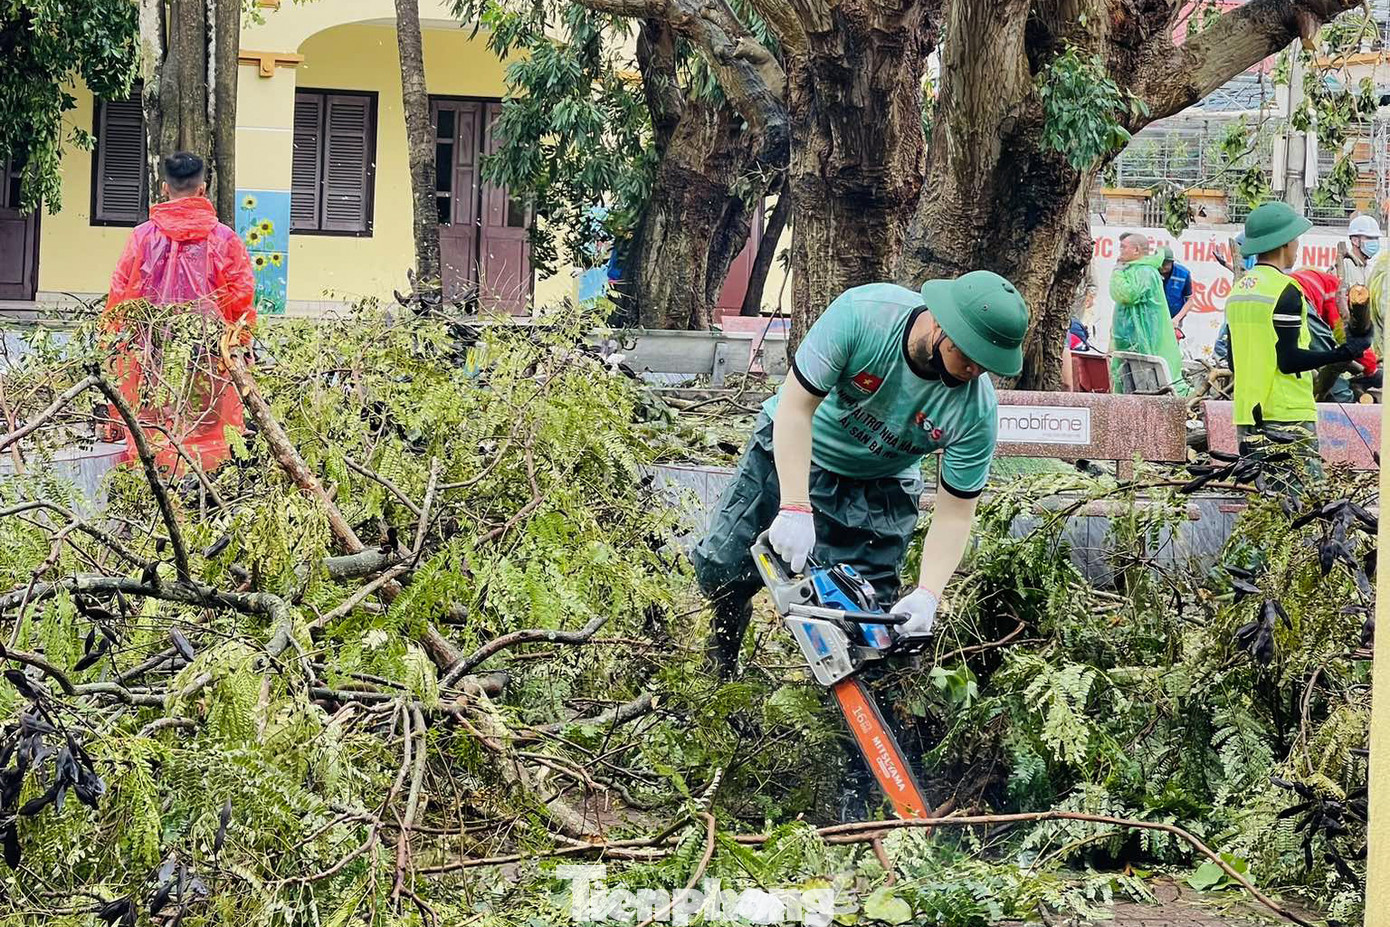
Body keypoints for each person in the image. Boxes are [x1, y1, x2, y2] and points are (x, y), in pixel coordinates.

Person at [690, 273, 1029, 676]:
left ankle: (852, 723)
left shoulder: (976, 412)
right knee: (723, 568)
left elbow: (956, 513)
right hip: (795, 446)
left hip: (879, 486)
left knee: (866, 626)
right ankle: (719, 672)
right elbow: (796, 409)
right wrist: (796, 505)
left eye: (985, 365)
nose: (974, 370)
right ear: (942, 325)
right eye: (968, 356)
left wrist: (928, 593)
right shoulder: (864, 316)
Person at [106, 151, 256, 472]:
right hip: (209, 350)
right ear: (203, 189)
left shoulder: (142, 237)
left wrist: (114, 342)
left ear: (164, 188)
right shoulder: (224, 239)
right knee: (207, 429)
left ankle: (154, 492)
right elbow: (241, 295)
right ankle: (205, 491)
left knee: (153, 423)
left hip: (151, 348)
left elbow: (121, 293)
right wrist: (241, 341)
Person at [1225, 202, 1371, 469]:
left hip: (1247, 414)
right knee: (1303, 499)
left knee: (1262, 499)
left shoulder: (1238, 291)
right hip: (1286, 415)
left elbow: (1233, 362)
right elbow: (1289, 360)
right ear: (1284, 243)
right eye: (1295, 239)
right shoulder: (1286, 289)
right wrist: (1343, 353)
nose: (1297, 246)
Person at [1108, 233, 1189, 395]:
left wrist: (1117, 272)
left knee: (1146, 383)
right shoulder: (1134, 269)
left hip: (1143, 341)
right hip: (1130, 340)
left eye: (1124, 247)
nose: (1120, 250)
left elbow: (1127, 294)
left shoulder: (1145, 272)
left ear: (1136, 250)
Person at [1159, 246, 1195, 336]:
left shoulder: (1183, 273)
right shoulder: (1150, 272)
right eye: (1160, 263)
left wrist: (1176, 319)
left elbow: (1190, 301)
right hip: (1153, 319)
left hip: (1174, 318)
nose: (1162, 266)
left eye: (1166, 263)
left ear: (1172, 262)